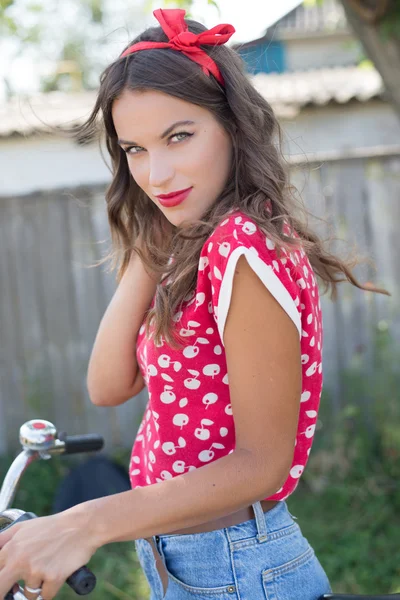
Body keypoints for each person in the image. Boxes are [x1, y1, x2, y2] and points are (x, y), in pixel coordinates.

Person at [0, 8, 389, 600]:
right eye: (134, 149)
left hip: (238, 566)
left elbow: (263, 463)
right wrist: (150, 249)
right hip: (179, 558)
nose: (156, 173)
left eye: (179, 136)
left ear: (231, 125)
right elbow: (107, 385)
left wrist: (82, 523)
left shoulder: (244, 244)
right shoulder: (195, 248)